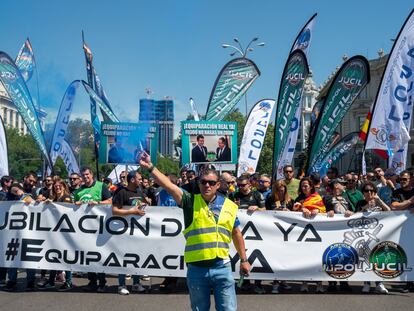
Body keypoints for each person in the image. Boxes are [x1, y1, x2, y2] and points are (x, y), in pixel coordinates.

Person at [139, 152, 250, 311]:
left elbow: (236, 233)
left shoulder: (230, 206)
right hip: (197, 270)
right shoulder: (190, 202)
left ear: (218, 185)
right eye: (203, 182)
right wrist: (150, 167)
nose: (207, 185)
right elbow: (169, 186)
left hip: (222, 268)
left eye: (211, 182)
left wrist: (244, 260)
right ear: (198, 183)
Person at [74, 167, 112, 293]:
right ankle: (92, 281)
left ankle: (102, 282)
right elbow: (74, 207)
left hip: (99, 227)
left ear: (91, 175)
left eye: (87, 175)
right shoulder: (79, 191)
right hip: (85, 229)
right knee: (88, 256)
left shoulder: (101, 186)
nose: (85, 177)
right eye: (83, 175)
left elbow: (110, 201)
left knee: (99, 256)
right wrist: (76, 204)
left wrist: (97, 203)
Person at [112, 170, 147, 295]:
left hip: (137, 232)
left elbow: (142, 208)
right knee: (122, 257)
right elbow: (115, 211)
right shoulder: (121, 192)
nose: (141, 181)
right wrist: (132, 212)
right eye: (139, 179)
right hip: (123, 231)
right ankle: (121, 285)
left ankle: (136, 283)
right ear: (132, 180)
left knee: (136, 258)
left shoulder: (140, 191)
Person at [37, 178, 74, 291]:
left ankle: (68, 282)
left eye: (59, 186)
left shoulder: (66, 197)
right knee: (54, 257)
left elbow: (64, 210)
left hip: (65, 232)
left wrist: (52, 203)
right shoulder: (54, 197)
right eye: (55, 186)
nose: (57, 187)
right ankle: (52, 281)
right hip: (55, 232)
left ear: (64, 186)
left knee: (65, 258)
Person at [356, 182, 390, 294]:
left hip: (379, 235)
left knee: (377, 258)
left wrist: (379, 201)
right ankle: (366, 283)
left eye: (372, 191)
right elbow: (355, 216)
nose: (369, 192)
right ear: (363, 193)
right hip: (364, 235)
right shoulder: (360, 202)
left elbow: (389, 212)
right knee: (366, 258)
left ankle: (379, 283)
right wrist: (366, 206)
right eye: (366, 191)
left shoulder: (379, 202)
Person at [293, 177, 326, 293]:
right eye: (302, 186)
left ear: (311, 186)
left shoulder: (317, 197)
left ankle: (319, 284)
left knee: (318, 258)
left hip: (317, 233)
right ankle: (304, 283)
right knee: (304, 258)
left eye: (306, 186)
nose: (304, 188)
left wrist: (319, 211)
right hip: (302, 232)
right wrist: (302, 208)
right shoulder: (299, 198)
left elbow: (323, 210)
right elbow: (293, 211)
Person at [265, 179, 293, 294]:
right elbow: (264, 212)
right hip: (273, 233)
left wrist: (288, 211)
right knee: (275, 258)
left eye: (283, 190)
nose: (281, 192)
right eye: (279, 190)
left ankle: (284, 280)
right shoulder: (270, 199)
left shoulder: (290, 200)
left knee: (285, 257)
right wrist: (274, 211)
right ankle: (275, 282)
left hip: (287, 233)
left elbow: (296, 214)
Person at [326, 178, 353, 293]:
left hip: (345, 231)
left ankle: (344, 281)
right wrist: (328, 211)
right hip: (331, 231)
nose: (343, 187)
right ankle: (331, 282)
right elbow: (323, 209)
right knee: (332, 255)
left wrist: (351, 212)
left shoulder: (347, 198)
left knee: (344, 255)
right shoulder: (327, 198)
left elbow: (353, 210)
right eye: (342, 185)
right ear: (335, 186)